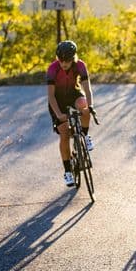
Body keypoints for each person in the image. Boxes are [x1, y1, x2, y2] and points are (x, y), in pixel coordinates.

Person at [47, 40, 96, 187]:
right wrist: (59, 115)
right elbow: (50, 96)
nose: (64, 63)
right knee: (64, 133)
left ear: (73, 58)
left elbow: (87, 89)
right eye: (61, 60)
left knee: (84, 106)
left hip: (74, 94)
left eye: (67, 61)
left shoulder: (80, 65)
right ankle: (68, 171)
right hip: (58, 100)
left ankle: (85, 136)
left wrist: (90, 105)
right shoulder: (52, 69)